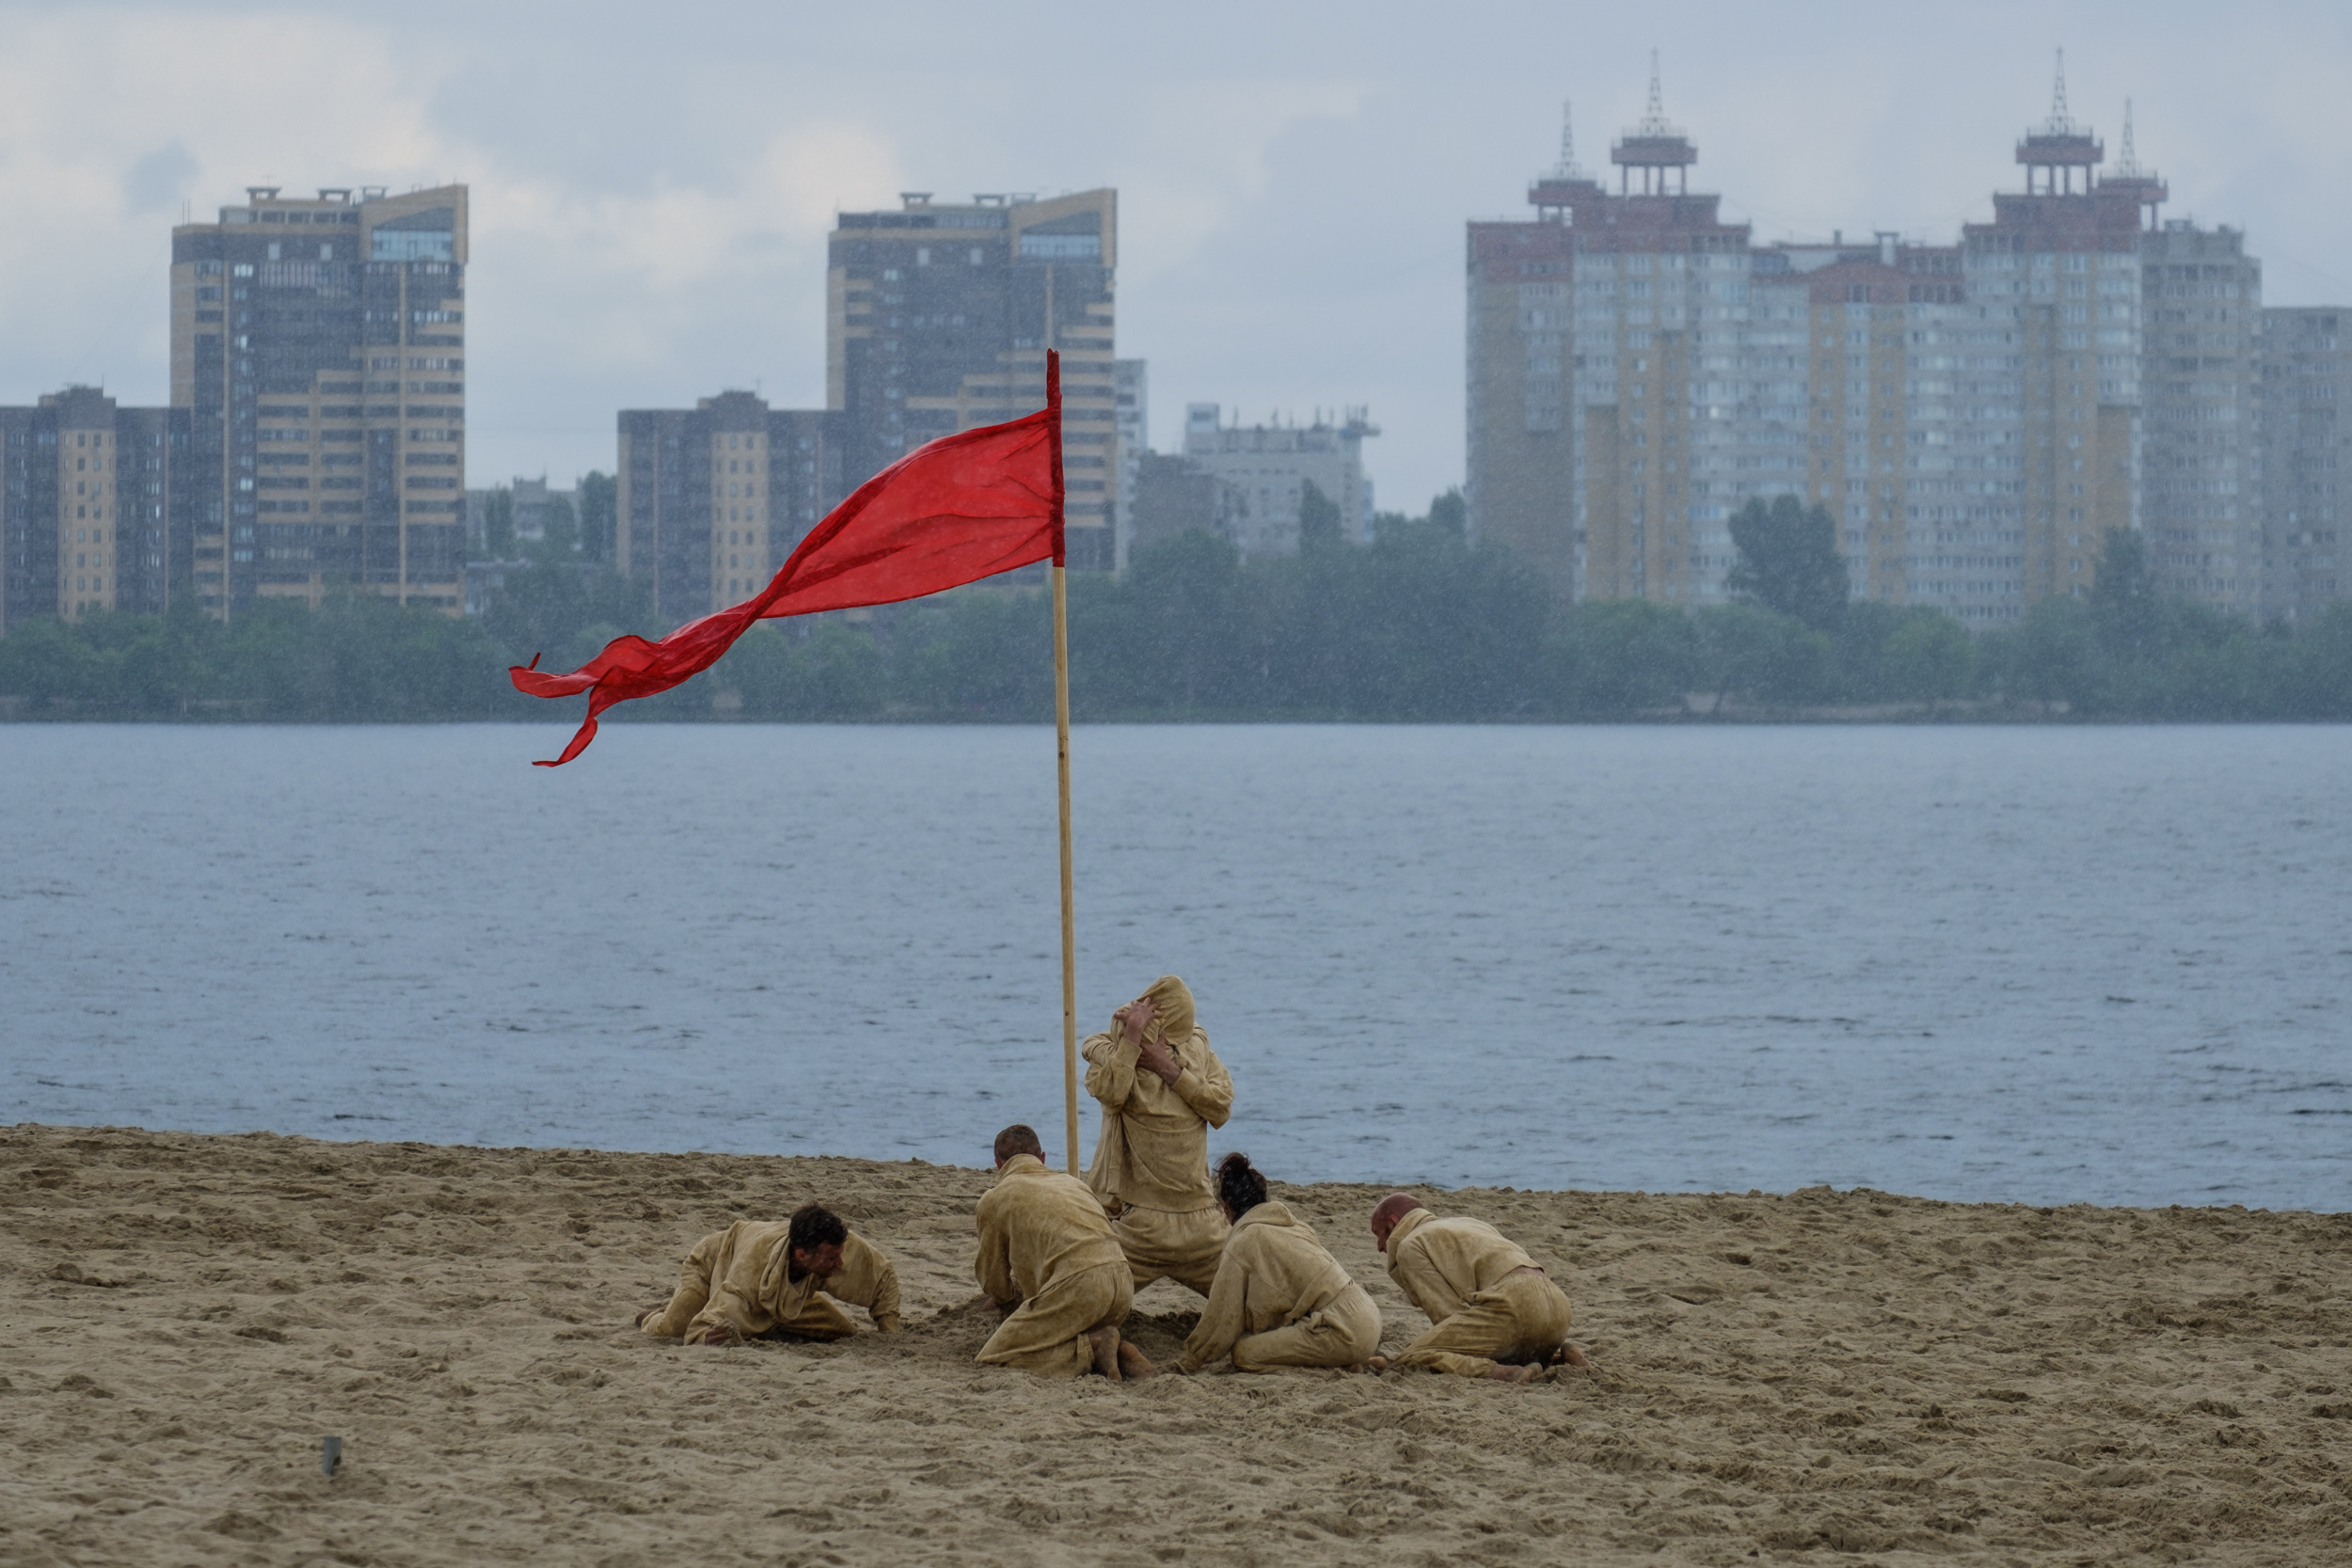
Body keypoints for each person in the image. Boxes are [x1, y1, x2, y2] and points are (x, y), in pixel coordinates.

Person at [1082, 974, 1235, 1297]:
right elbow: (1112, 1091)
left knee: (1081, 1291)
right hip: (1159, 1226)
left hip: (1177, 1224)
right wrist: (1135, 1041)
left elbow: (1220, 1108)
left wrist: (1164, 1064)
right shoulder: (1193, 1057)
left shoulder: (1190, 1055)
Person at [1175, 1153, 1383, 1374]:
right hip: (1368, 1313)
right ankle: (1358, 1360)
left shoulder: (1243, 1242)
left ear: (1226, 1209)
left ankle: (1339, 1367)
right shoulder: (1294, 1225)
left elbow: (1221, 1320)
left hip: (1341, 1328)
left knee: (1245, 1353)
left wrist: (1191, 1360)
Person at [975, 1123, 1153, 1381]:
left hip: (1079, 1287)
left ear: (998, 1165)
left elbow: (993, 1280)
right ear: (1043, 1158)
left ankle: (1094, 1346)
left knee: (996, 1356)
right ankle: (1110, 1348)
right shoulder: (1074, 1184)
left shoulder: (994, 1198)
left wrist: (1005, 1297)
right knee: (1064, 1325)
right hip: (1123, 1286)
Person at [1367, 1192, 1589, 1383]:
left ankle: (1503, 1374)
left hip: (1515, 1303)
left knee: (1414, 1355)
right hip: (1558, 1307)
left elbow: (1448, 1315)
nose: (1379, 1247)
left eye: (1379, 1235)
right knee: (1509, 1343)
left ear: (1393, 1223)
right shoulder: (1470, 1222)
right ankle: (1562, 1358)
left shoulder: (1410, 1244)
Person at [637, 1202, 901, 1346]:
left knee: (843, 1332)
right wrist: (707, 1338)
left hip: (785, 1293)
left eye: (840, 1254)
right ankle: (654, 1315)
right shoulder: (749, 1276)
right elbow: (701, 1329)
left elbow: (882, 1277)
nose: (840, 1262)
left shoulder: (830, 1243)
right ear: (802, 1255)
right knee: (671, 1331)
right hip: (711, 1265)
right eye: (832, 1258)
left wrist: (889, 1329)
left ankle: (772, 1321)